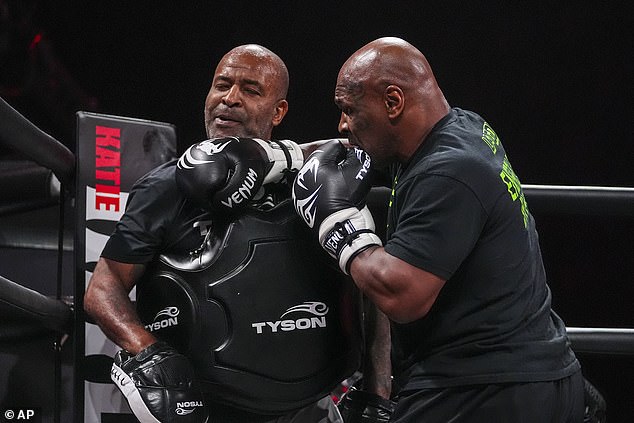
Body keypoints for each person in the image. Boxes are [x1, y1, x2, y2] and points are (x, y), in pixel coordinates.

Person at [84, 44, 391, 423]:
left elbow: (369, 288)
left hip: (311, 406)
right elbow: (104, 287)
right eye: (221, 85)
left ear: (278, 111)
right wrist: (147, 350)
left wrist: (378, 392)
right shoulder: (166, 188)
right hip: (210, 408)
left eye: (250, 89)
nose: (229, 99)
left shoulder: (316, 183)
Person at [291, 37, 584, 422]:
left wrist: (338, 226)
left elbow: (403, 296)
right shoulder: (463, 127)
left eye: (349, 110)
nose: (342, 124)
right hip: (526, 373)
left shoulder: (449, 171)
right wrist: (278, 157)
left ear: (393, 103)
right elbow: (339, 152)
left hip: (484, 388)